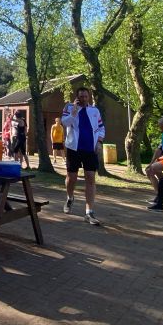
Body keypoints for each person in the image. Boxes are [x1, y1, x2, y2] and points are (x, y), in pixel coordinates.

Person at [61, 87, 106, 225]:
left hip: (90, 149)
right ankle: (70, 197)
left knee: (91, 178)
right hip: (73, 148)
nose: (83, 99)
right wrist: (74, 112)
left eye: (86, 96)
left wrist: (99, 141)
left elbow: (101, 128)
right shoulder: (69, 107)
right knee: (72, 178)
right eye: (81, 96)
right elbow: (64, 123)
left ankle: (89, 212)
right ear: (77, 97)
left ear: (89, 97)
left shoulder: (94, 110)